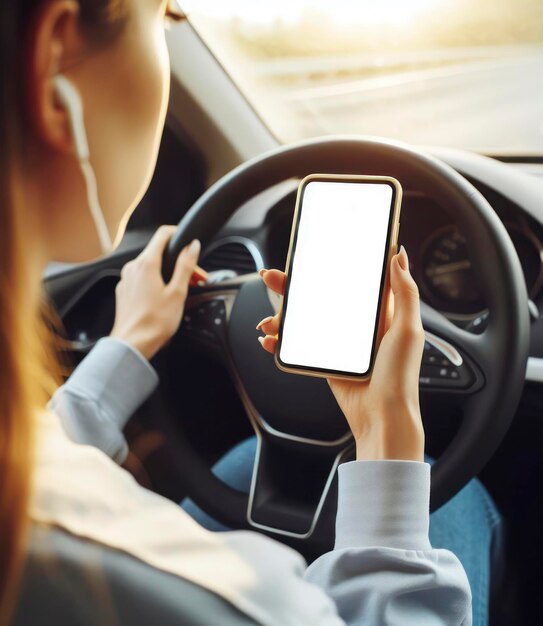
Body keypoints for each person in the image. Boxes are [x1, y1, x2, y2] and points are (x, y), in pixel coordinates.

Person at [0, 0, 499, 623]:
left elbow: (44, 448)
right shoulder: (237, 602)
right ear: (55, 58)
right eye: (167, 18)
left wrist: (127, 344)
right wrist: (387, 432)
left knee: (239, 467)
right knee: (456, 503)